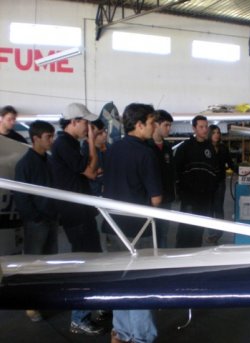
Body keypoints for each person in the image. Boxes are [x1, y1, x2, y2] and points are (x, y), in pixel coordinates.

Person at [103, 103, 162, 343]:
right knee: (140, 285)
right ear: (139, 125)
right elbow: (156, 199)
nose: (154, 127)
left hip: (110, 225)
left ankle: (121, 333)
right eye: (151, 122)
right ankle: (141, 337)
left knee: (120, 283)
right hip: (138, 230)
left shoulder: (112, 149)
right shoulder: (146, 153)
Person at [49, 102, 103, 335]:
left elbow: (91, 170)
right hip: (75, 213)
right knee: (85, 265)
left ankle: (92, 307)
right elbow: (91, 172)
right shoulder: (64, 144)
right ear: (74, 122)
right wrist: (91, 142)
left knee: (93, 260)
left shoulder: (69, 144)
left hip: (81, 211)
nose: (88, 127)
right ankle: (78, 318)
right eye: (86, 123)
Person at [14, 120, 58, 323]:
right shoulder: (25, 164)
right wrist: (35, 217)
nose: (52, 140)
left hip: (50, 218)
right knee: (33, 263)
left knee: (49, 262)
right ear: (35, 139)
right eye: (48, 137)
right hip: (37, 222)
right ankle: (31, 305)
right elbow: (22, 196)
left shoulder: (47, 161)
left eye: (52, 136)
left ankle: (44, 298)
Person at [175, 115, 218, 248]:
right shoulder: (185, 148)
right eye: (201, 127)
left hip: (205, 197)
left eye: (206, 127)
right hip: (189, 197)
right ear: (194, 128)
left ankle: (196, 252)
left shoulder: (210, 148)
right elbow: (176, 170)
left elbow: (214, 171)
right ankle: (181, 252)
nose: (205, 130)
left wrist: (212, 190)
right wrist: (181, 190)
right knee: (186, 228)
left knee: (199, 229)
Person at [148, 109, 175, 248]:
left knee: (163, 233)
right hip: (149, 199)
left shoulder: (167, 148)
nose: (169, 128)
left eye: (170, 125)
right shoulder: (145, 147)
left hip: (166, 197)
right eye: (166, 125)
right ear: (156, 124)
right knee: (148, 234)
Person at [206, 124, 235, 245]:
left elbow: (230, 163)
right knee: (209, 209)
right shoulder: (204, 147)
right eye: (214, 133)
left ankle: (217, 234)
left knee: (218, 208)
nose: (216, 135)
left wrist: (243, 170)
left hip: (219, 182)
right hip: (207, 183)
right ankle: (211, 232)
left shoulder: (223, 148)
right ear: (210, 134)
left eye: (218, 133)